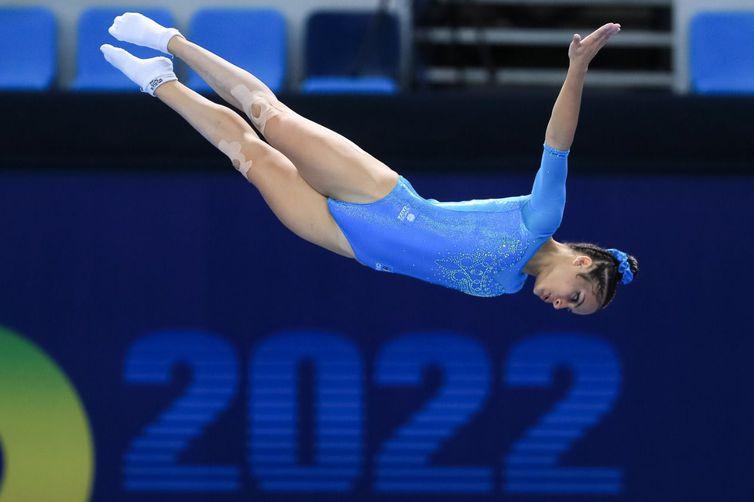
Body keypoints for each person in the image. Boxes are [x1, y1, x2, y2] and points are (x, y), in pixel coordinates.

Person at [100, 13, 637, 315]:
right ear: (583, 263)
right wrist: (577, 70)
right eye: (576, 298)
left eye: (571, 311)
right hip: (381, 198)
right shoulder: (541, 219)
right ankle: (171, 41)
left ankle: (158, 80)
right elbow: (557, 142)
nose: (560, 305)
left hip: (351, 243)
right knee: (272, 120)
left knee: (250, 156)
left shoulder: (505, 287)